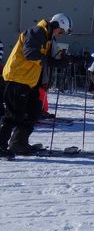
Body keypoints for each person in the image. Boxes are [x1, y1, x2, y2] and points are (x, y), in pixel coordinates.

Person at [0, 13, 72, 158]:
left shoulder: (49, 38)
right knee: (13, 115)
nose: (61, 34)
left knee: (33, 111)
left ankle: (19, 143)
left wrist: (71, 60)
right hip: (17, 78)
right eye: (62, 31)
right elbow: (30, 53)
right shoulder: (36, 32)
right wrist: (51, 62)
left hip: (29, 81)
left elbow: (56, 55)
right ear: (57, 25)